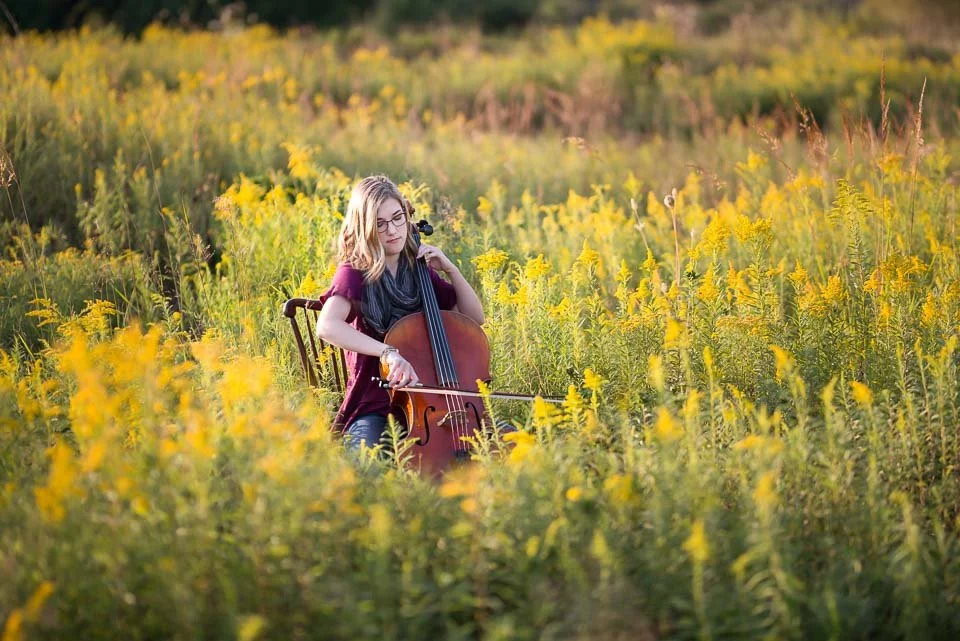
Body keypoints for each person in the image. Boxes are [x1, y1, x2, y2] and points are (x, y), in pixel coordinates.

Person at [315, 175, 487, 452]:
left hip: (432, 401)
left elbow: (473, 319)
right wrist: (388, 352)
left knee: (499, 446)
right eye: (380, 224)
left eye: (397, 218)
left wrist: (452, 270)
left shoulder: (417, 267)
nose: (393, 230)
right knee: (367, 466)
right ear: (365, 228)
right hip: (374, 404)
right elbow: (327, 326)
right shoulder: (355, 271)